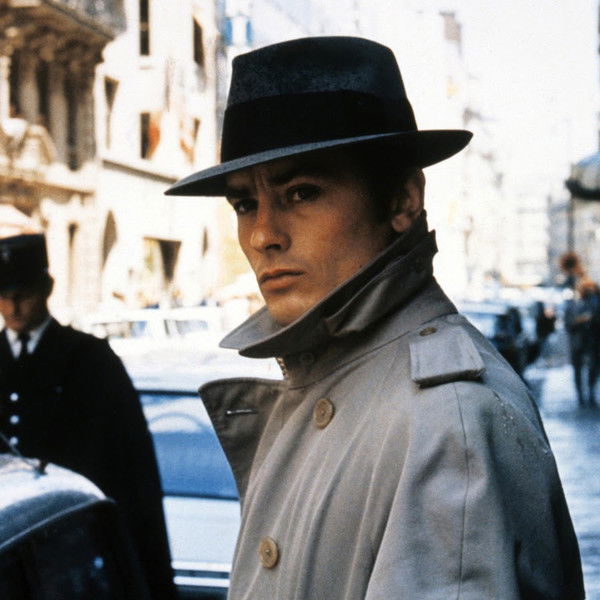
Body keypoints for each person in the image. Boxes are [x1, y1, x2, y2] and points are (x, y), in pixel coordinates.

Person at [167, 36, 584, 599]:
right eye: (245, 204)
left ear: (402, 201)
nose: (263, 234)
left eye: (301, 192)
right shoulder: (344, 381)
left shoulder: (446, 419)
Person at [0, 233, 176, 600]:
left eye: (23, 295)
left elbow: (134, 470)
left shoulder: (90, 360)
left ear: (46, 289)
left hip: (73, 550)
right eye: (3, 296)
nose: (12, 307)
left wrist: (150, 575)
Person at [565, 277, 600, 407]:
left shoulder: (595, 303)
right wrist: (580, 320)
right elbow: (568, 324)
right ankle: (580, 396)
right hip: (577, 342)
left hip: (592, 342)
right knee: (578, 370)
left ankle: (591, 393)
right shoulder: (571, 305)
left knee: (593, 368)